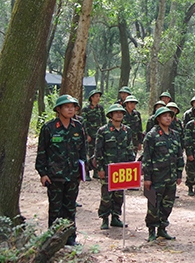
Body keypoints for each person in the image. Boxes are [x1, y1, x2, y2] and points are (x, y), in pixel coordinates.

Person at [35, 95, 86, 246]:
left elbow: (83, 151)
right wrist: (43, 173)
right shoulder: (49, 128)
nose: (70, 109)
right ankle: (54, 240)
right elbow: (42, 152)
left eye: (73, 106)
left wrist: (82, 171)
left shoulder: (78, 127)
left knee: (70, 208)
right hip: (54, 177)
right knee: (55, 210)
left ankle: (70, 238)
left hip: (73, 176)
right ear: (59, 109)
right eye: (66, 106)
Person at [142, 106, 184, 241]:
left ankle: (162, 229)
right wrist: (147, 177)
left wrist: (178, 174)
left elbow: (179, 156)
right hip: (156, 177)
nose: (168, 118)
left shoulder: (175, 134)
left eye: (170, 116)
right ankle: (151, 231)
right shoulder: (152, 136)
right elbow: (147, 158)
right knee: (154, 204)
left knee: (167, 204)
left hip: (170, 177)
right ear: (158, 119)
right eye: (164, 116)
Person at [94, 104, 135, 230]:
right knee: (106, 195)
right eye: (116, 112)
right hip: (107, 168)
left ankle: (115, 217)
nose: (119, 115)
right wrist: (100, 169)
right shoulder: (103, 131)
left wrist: (131, 166)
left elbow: (130, 149)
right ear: (111, 115)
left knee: (119, 195)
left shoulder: (127, 130)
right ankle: (105, 218)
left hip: (121, 169)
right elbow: (98, 151)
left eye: (121, 113)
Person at [82, 89, 106, 180]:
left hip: (99, 135)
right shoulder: (86, 109)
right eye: (96, 96)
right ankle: (86, 172)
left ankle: (96, 171)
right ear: (91, 98)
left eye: (99, 96)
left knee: (98, 153)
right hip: (90, 136)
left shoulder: (101, 108)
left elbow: (104, 121)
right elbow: (84, 123)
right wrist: (86, 135)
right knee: (88, 153)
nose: (98, 98)